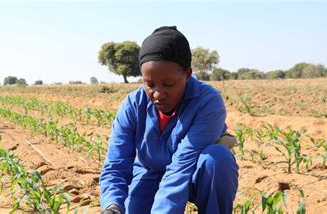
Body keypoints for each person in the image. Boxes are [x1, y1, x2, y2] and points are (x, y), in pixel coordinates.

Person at [99, 26, 239, 214]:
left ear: (187, 75)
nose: (157, 94)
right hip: (150, 173)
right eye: (150, 84)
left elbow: (182, 165)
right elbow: (116, 163)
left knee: (217, 159)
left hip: (194, 172)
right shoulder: (133, 105)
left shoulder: (208, 102)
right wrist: (112, 206)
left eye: (168, 84)